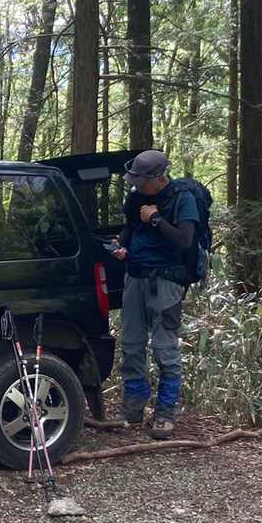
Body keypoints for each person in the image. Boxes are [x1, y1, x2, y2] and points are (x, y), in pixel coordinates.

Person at [108, 150, 199, 440]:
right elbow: (130, 230)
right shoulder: (136, 197)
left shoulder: (183, 199)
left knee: (164, 348)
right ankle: (133, 407)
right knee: (131, 344)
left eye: (141, 181)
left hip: (167, 282)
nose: (136, 185)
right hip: (135, 276)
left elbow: (185, 241)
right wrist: (121, 245)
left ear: (159, 178)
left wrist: (156, 218)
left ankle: (164, 413)